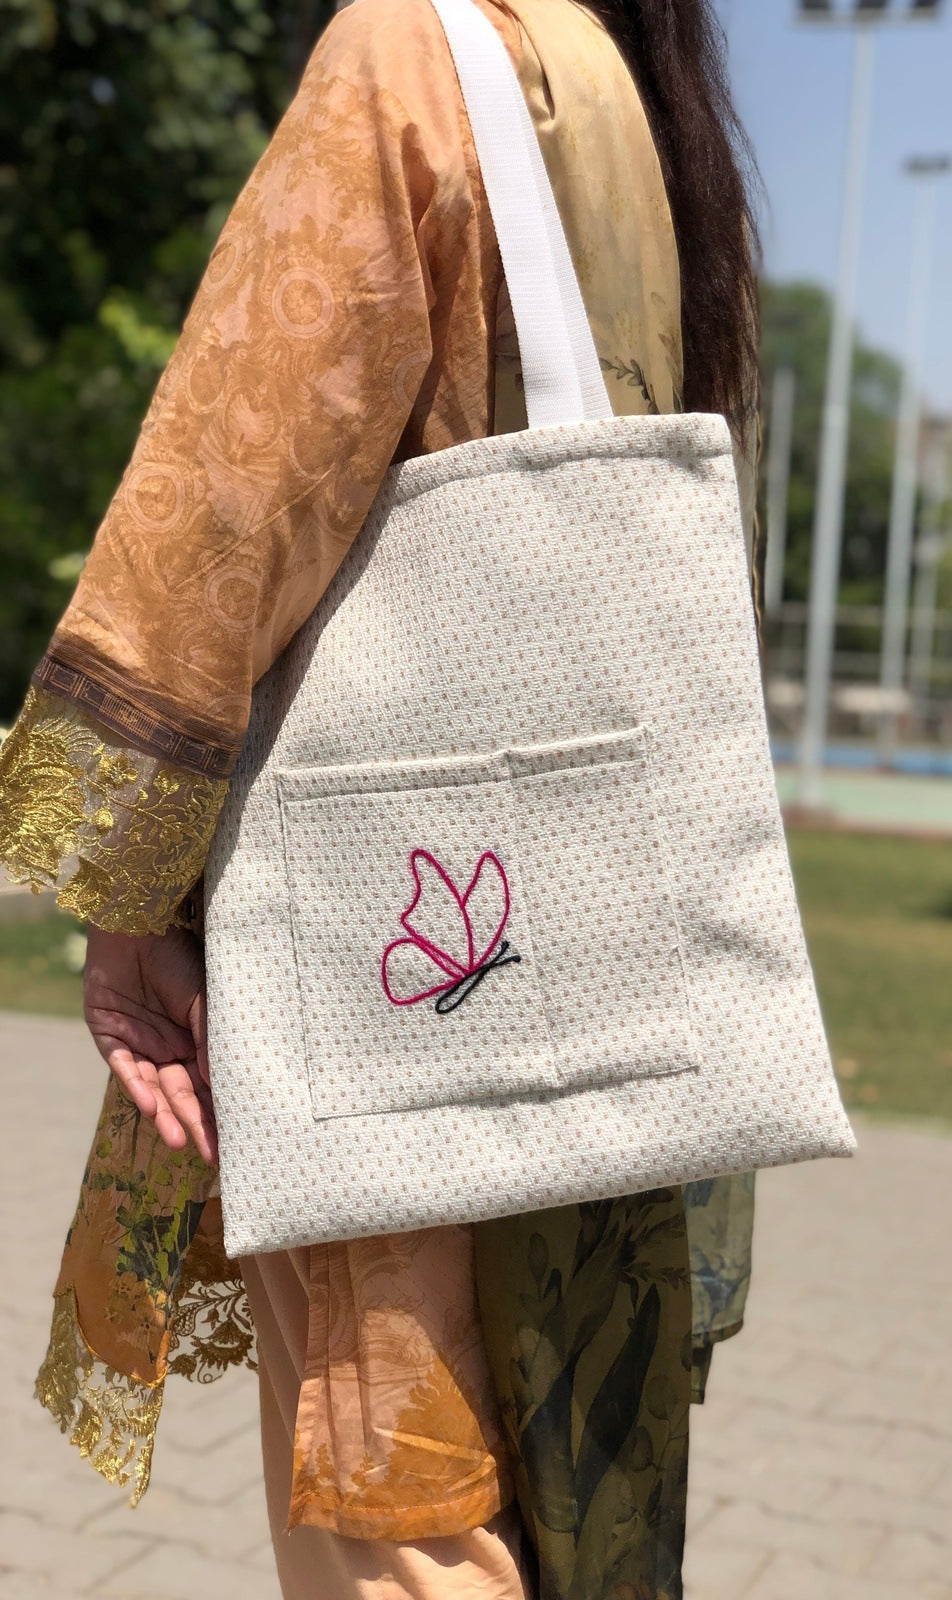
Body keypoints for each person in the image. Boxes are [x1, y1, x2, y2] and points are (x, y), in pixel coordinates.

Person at [0, 0, 761, 1594]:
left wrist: (128, 899)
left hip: (391, 967)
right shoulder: (629, 96)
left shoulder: (410, 53)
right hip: (613, 929)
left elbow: (233, 486)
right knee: (561, 1500)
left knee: (403, 1524)